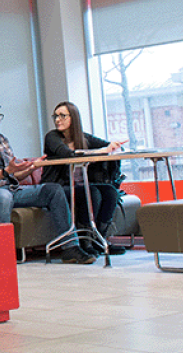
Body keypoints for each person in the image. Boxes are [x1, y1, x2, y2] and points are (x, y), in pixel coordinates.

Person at [0, 98, 95, 264]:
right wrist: (6, 171)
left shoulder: (2, 140)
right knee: (3, 196)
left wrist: (30, 168)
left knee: (53, 189)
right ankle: (0, 254)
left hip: (11, 191)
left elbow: (13, 177)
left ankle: (70, 247)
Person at [42, 101, 127, 257]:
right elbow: (67, 154)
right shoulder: (52, 137)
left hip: (80, 185)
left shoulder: (83, 137)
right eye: (56, 116)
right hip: (57, 187)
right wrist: (101, 151)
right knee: (92, 192)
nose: (57, 120)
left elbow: (107, 146)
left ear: (73, 118)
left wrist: (113, 146)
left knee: (110, 192)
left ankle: (99, 238)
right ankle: (85, 241)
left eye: (62, 116)